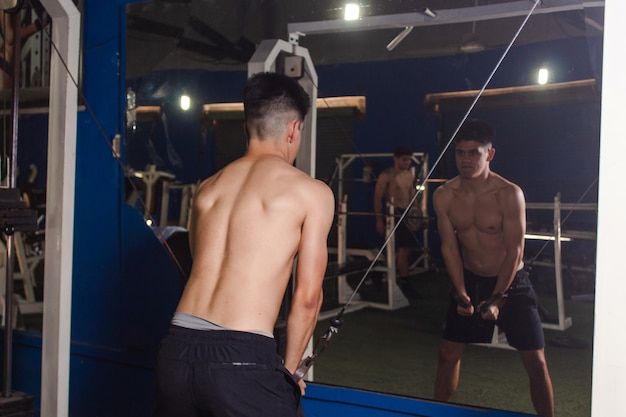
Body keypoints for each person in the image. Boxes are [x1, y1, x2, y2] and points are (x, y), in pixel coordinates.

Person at [153, 72, 335, 417]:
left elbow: (198, 265)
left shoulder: (206, 189)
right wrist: (290, 372)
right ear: (294, 129)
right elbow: (308, 298)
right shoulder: (311, 192)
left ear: (247, 126)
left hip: (175, 352)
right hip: (242, 357)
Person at [432, 119, 554, 417]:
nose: (466, 160)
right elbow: (449, 247)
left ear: (490, 154)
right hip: (471, 279)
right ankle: (435, 412)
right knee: (448, 354)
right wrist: (461, 293)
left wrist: (499, 297)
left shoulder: (509, 194)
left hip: (511, 281)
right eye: (460, 153)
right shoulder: (444, 196)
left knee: (536, 361)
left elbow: (515, 250)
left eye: (474, 152)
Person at [373, 146, 423, 295]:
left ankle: (380, 273)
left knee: (405, 250)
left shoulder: (408, 175)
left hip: (407, 214)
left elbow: (412, 197)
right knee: (401, 249)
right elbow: (377, 197)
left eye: (409, 160)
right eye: (404, 159)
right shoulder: (386, 175)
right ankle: (405, 282)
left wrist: (418, 216)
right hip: (393, 214)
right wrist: (379, 220)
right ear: (396, 159)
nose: (407, 162)